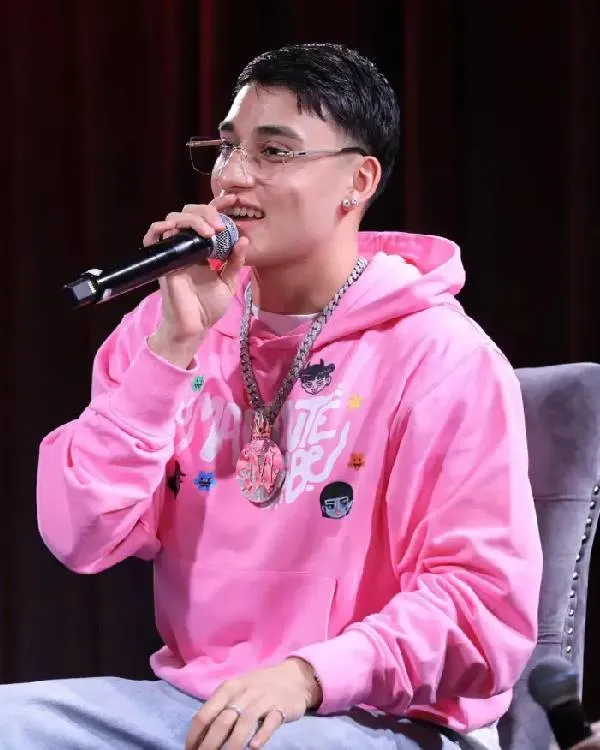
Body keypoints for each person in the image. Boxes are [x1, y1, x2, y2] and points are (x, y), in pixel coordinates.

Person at [1, 43, 543, 750]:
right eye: (227, 148)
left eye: (275, 152)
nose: (233, 177)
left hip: (381, 715)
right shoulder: (168, 326)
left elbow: (482, 609)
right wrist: (171, 350)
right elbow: (80, 537)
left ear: (358, 180)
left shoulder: (440, 356)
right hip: (195, 706)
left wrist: (308, 676)